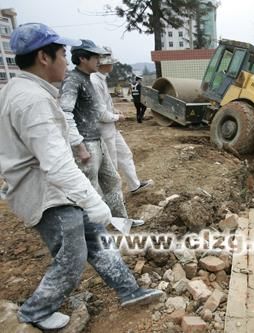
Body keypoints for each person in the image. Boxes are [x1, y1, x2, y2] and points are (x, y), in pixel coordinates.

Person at [0, 23, 162, 331]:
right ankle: (35, 311)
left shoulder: (22, 91)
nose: (66, 58)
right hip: (46, 194)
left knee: (97, 240)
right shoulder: (32, 101)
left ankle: (129, 290)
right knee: (73, 257)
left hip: (56, 189)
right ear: (43, 57)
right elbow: (57, 164)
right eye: (62, 53)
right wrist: (93, 201)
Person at [60, 39, 139, 225]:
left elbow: (98, 111)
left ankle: (121, 222)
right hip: (85, 143)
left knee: (112, 181)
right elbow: (65, 113)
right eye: (95, 57)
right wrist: (79, 146)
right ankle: (98, 231)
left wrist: (115, 115)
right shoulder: (73, 81)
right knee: (91, 189)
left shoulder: (87, 79)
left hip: (97, 139)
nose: (99, 60)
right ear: (82, 58)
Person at [90, 47, 154, 194]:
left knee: (125, 154)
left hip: (111, 127)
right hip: (103, 129)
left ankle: (135, 185)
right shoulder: (94, 82)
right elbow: (100, 114)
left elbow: (105, 104)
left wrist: (114, 111)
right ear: (102, 63)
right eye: (110, 62)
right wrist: (117, 117)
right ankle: (112, 199)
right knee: (110, 165)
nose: (113, 65)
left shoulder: (101, 79)